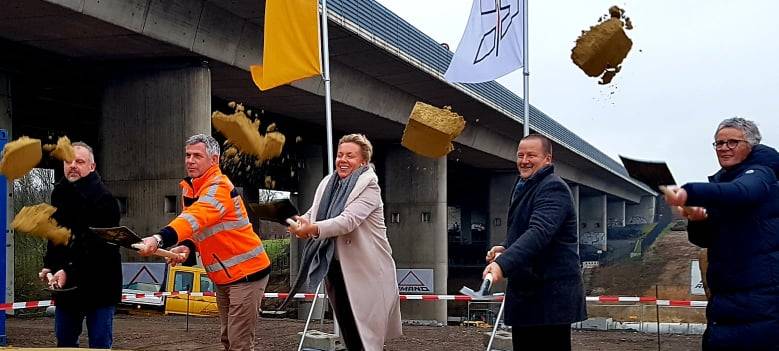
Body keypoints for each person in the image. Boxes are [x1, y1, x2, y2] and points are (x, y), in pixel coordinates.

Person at [137, 134, 271, 351]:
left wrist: (159, 238)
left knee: (239, 343)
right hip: (224, 276)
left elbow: (195, 217)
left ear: (214, 160)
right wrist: (188, 246)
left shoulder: (219, 187)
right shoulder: (190, 188)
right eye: (187, 155)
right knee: (228, 339)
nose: (190, 161)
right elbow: (198, 227)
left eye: (197, 156)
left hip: (247, 274)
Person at [662, 117, 779, 350]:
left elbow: (743, 192)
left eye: (733, 142)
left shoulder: (760, 173)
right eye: (719, 143)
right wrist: (698, 219)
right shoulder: (725, 182)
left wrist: (689, 191)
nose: (724, 148)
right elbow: (703, 239)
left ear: (751, 145)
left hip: (760, 300)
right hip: (728, 297)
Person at [288, 133, 402, 351]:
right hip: (336, 268)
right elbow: (315, 212)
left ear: (363, 161)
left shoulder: (369, 187)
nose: (342, 160)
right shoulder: (328, 185)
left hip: (366, 271)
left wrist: (313, 229)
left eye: (350, 156)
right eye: (340, 155)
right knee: (349, 331)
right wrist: (300, 221)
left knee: (366, 336)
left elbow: (347, 221)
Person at [482, 134, 586, 351]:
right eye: (520, 155)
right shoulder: (526, 185)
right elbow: (526, 229)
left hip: (548, 300)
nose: (524, 161)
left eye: (531, 155)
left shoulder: (553, 188)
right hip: (529, 297)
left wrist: (502, 264)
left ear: (547, 159)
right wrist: (506, 247)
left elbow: (539, 232)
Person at [38, 142, 121, 349]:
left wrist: (67, 270)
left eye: (79, 161)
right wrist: (50, 265)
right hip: (67, 288)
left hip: (100, 285)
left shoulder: (105, 200)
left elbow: (98, 247)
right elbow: (55, 235)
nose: (73, 165)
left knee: (99, 343)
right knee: (65, 341)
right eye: (68, 161)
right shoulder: (59, 194)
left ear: (92, 167)